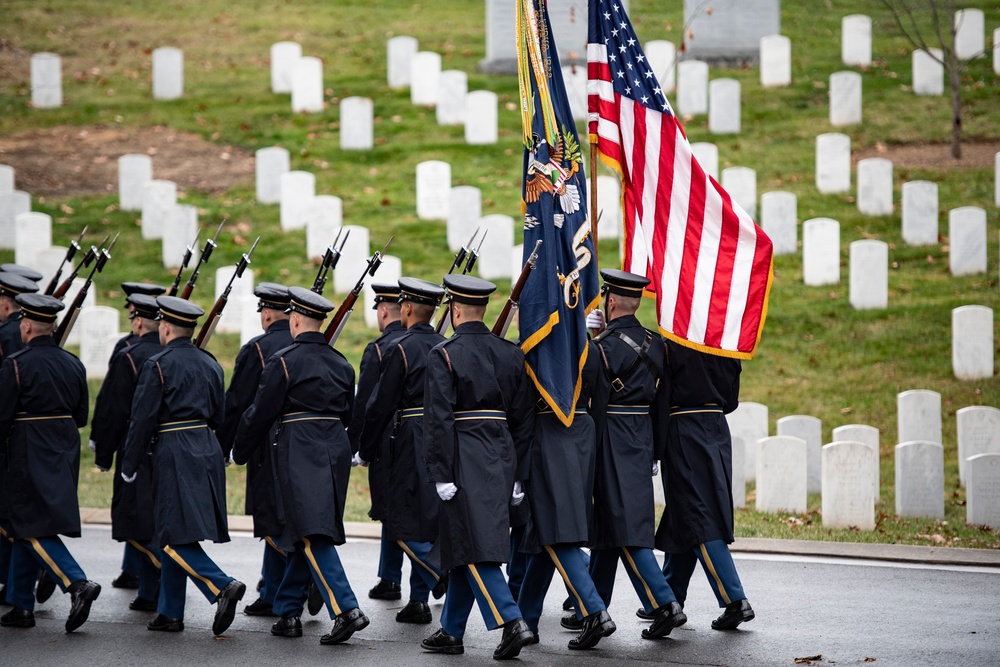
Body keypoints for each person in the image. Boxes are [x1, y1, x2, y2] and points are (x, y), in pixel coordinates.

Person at [236, 287, 369, 646]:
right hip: (334, 448)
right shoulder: (342, 362)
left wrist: (240, 450)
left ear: (294, 319)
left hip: (300, 446)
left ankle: (346, 609)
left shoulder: (283, 360)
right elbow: (349, 415)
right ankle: (289, 611)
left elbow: (261, 410)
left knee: (312, 531)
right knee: (303, 528)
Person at [420, 275, 535, 661]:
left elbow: (437, 419)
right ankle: (452, 630)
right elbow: (523, 420)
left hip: (463, 455)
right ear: (482, 309)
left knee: (472, 546)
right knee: (466, 540)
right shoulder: (510, 352)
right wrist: (520, 472)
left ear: (454, 310)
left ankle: (512, 620)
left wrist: (440, 473)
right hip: (501, 454)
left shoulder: (444, 354)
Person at [120, 296, 245, 635]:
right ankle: (170, 611)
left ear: (165, 327)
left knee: (173, 535)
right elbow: (221, 414)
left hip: (175, 450)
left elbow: (142, 418)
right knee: (175, 530)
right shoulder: (211, 363)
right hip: (206, 446)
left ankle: (221, 586)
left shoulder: (158, 364)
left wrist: (129, 462)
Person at [583, 269, 685, 640]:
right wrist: (656, 450)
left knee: (626, 528)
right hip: (642, 436)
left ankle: (665, 603)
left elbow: (597, 402)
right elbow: (662, 404)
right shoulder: (657, 344)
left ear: (609, 302)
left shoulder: (603, 347)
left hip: (610, 436)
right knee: (611, 525)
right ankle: (591, 609)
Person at [0, 293, 101, 632]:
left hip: (28, 448)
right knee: (27, 524)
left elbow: (2, 416)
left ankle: (76, 583)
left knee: (28, 524)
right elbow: (83, 416)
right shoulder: (74, 363)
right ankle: (20, 604)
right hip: (64, 447)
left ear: (26, 326)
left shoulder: (16, 362)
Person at [516, 339, 617, 649]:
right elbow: (600, 399)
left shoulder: (536, 347)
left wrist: (518, 464)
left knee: (554, 531)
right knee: (546, 530)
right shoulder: (589, 347)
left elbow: (521, 409)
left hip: (548, 434)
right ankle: (526, 619)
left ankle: (594, 610)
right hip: (583, 431)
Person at [359, 278, 446, 625]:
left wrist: (365, 447)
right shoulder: (445, 344)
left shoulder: (399, 348)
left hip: (408, 438)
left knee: (401, 517)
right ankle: (418, 601)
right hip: (442, 436)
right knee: (426, 516)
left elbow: (378, 405)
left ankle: (438, 569)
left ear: (406, 308)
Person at [654, 339, 755, 630]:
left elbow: (662, 397)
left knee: (699, 514)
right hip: (716, 426)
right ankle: (669, 599)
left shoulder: (674, 343)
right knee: (683, 510)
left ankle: (735, 600)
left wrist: (655, 446)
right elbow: (732, 399)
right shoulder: (725, 342)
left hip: (683, 427)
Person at [218, 283, 293, 618]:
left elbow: (237, 403)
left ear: (266, 313)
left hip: (267, 444)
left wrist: (227, 446)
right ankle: (272, 588)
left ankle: (295, 584)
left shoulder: (258, 349)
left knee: (271, 520)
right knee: (286, 517)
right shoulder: (302, 344)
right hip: (305, 445)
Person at [90, 282, 166, 592]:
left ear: (137, 320)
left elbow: (113, 407)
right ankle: (147, 589)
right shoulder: (168, 350)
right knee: (150, 518)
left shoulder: (130, 353)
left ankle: (173, 573)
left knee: (135, 518)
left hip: (135, 446)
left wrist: (103, 451)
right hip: (170, 447)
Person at [349, 283, 409, 602]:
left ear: (383, 311)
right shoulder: (429, 343)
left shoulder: (378, 349)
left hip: (390, 440)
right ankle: (389, 576)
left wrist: (358, 447)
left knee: (389, 508)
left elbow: (367, 405)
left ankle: (424, 572)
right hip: (426, 438)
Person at [0, 271, 42, 607]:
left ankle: (51, 574)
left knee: (15, 519)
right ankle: (17, 590)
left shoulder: (7, 336)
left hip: (15, 435)